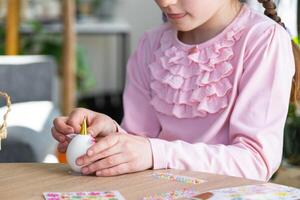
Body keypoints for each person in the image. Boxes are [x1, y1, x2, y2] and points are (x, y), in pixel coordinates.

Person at [52, 0, 300, 181]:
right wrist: (109, 134)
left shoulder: (263, 40)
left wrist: (153, 152)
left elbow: (256, 162)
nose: (165, 2)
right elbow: (140, 143)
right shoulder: (151, 44)